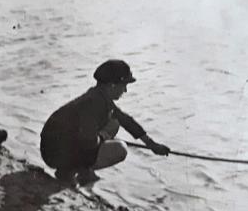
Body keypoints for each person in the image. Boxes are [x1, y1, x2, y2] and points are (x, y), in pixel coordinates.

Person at [40, 59, 170, 184]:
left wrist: (152, 144)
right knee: (120, 149)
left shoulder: (98, 96)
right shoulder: (93, 104)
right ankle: (73, 171)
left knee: (114, 123)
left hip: (57, 148)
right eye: (124, 85)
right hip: (56, 154)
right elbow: (88, 140)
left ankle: (73, 170)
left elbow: (126, 120)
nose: (125, 90)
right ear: (112, 85)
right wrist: (103, 138)